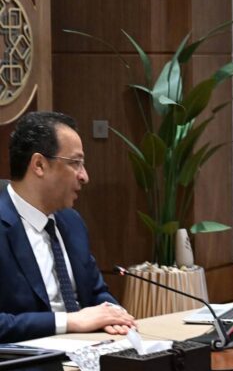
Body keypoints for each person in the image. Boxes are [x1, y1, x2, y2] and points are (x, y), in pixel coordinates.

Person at [0, 111, 136, 342]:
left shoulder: (71, 222)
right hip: (27, 359)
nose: (84, 176)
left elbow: (96, 292)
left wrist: (115, 316)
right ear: (39, 165)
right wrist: (69, 321)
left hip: (89, 349)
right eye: (75, 163)